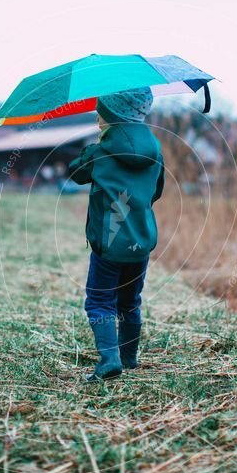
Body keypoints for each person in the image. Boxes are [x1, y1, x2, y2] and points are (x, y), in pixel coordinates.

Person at [68, 87, 165, 382]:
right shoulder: (155, 150)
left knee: (99, 302)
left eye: (101, 112)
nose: (97, 116)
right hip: (141, 243)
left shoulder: (100, 152)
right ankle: (129, 357)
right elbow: (157, 191)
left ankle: (110, 359)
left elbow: (75, 172)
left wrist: (95, 146)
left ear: (110, 116)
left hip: (109, 245)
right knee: (129, 302)